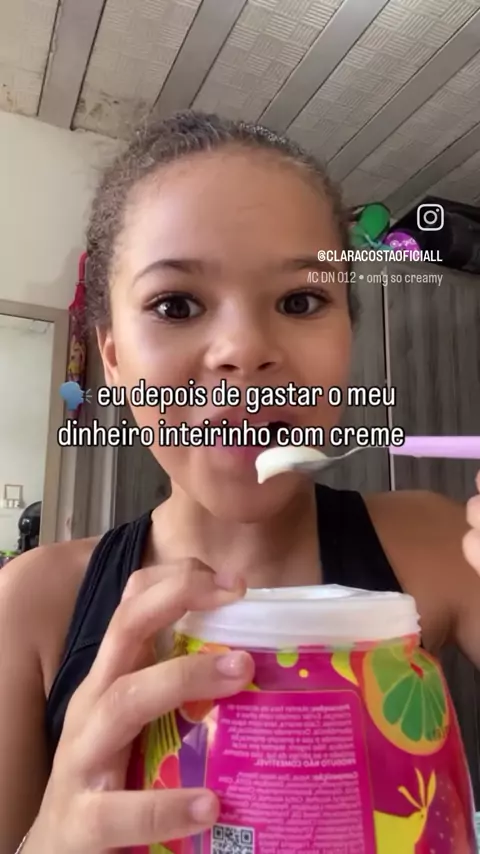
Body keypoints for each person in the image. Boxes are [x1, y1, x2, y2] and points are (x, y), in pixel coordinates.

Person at [1, 110, 480, 854]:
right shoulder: (31, 606)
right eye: (176, 305)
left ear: (346, 338)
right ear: (114, 357)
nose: (244, 350)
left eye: (299, 301)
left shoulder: (442, 546)